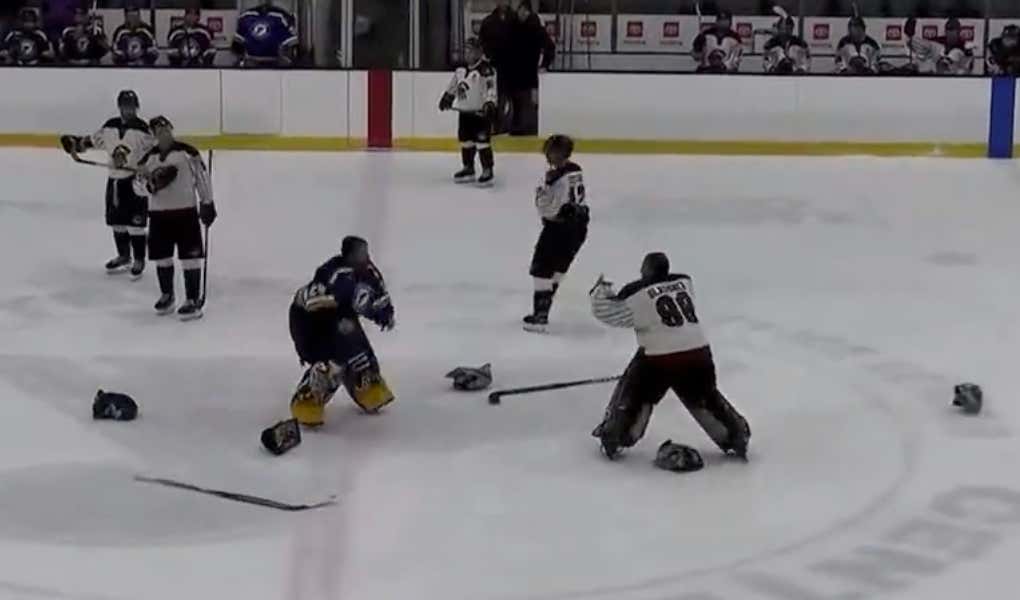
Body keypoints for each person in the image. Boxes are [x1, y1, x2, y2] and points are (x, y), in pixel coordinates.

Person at [589, 252, 751, 470]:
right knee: (703, 396)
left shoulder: (637, 292)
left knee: (638, 395)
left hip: (659, 359)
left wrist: (600, 291)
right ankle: (734, 434)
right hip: (699, 353)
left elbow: (609, 313)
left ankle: (617, 436)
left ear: (645, 270)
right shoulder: (684, 281)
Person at [288, 236, 395, 427]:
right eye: (357, 253)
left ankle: (363, 380)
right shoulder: (332, 273)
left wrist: (383, 313)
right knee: (332, 361)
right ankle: (310, 394)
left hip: (341, 319)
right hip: (310, 321)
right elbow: (311, 304)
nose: (363, 257)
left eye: (364, 252)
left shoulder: (369, 275)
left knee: (356, 348)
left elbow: (380, 301)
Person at [60, 90, 153, 279]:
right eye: (125, 106)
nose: (128, 110)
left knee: (135, 225)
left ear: (137, 107)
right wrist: (75, 144)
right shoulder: (110, 126)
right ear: (119, 107)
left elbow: (153, 154)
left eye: (131, 106)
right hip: (115, 181)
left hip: (135, 182)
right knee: (117, 223)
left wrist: (147, 169)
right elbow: (92, 141)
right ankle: (124, 256)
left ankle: (139, 259)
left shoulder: (143, 130)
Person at [133, 116, 216, 320]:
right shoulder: (147, 158)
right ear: (153, 135)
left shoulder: (188, 153)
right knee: (162, 257)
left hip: (185, 213)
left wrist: (207, 202)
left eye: (165, 128)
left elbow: (202, 178)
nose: (163, 132)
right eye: (158, 130)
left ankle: (192, 299)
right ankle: (167, 295)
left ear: (171, 129)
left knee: (190, 258)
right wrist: (150, 186)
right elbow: (137, 186)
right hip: (159, 215)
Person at [523, 134, 588, 332]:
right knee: (559, 267)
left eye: (550, 151)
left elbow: (551, 208)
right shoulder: (576, 170)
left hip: (560, 227)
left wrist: (542, 197)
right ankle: (545, 307)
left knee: (542, 268)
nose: (546, 155)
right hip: (580, 225)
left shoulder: (556, 177)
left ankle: (541, 315)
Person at [439, 37, 497, 186]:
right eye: (466, 51)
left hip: (480, 114)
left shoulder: (486, 70)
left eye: (470, 51)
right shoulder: (460, 70)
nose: (467, 54)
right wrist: (447, 98)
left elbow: (491, 88)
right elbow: (453, 86)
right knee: (466, 141)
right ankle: (468, 167)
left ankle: (487, 169)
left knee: (482, 142)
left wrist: (490, 103)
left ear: (478, 52)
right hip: (465, 113)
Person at [504, 1, 554, 136]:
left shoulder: (535, 27)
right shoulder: (511, 26)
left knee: (528, 106)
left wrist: (545, 65)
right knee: (514, 105)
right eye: (519, 10)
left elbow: (549, 47)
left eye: (524, 10)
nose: (521, 13)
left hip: (529, 76)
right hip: (512, 75)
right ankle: (514, 131)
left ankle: (528, 131)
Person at [232, 0, 297, 67]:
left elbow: (292, 45)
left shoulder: (280, 16)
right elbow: (236, 45)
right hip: (252, 61)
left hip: (274, 61)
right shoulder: (246, 16)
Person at [904, 17, 974, 75]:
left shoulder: (965, 48)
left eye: (953, 29)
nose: (950, 32)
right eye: (948, 29)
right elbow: (922, 44)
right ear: (945, 31)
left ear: (959, 31)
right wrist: (910, 37)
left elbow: (967, 70)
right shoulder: (938, 42)